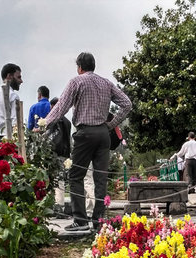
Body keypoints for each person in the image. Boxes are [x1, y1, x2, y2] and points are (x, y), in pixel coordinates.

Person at [44, 52, 132, 232]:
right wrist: (112, 123)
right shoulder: (106, 82)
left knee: (76, 175)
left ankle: (80, 220)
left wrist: (45, 124)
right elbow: (127, 103)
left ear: (79, 68)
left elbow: (61, 107)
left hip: (84, 133)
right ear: (94, 66)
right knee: (100, 178)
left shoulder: (76, 82)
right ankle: (98, 220)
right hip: (103, 133)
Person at [46, 96, 72, 214]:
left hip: (53, 154)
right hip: (63, 154)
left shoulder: (52, 120)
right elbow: (68, 139)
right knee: (60, 180)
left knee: (51, 180)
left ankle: (54, 207)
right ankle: (60, 206)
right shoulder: (67, 122)